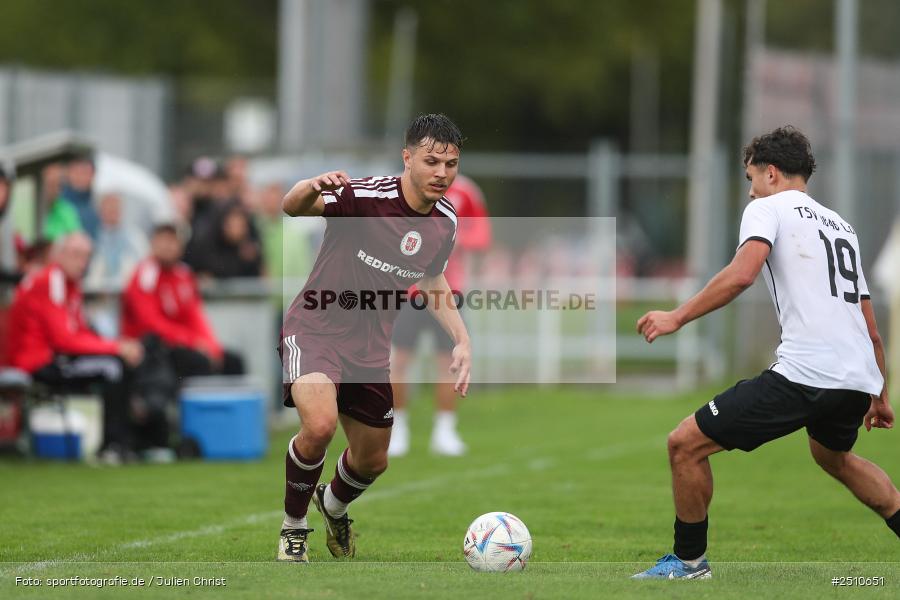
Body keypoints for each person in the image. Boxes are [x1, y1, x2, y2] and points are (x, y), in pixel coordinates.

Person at [632, 126, 899, 580]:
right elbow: (869, 324)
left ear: (770, 172)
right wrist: (878, 392)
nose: (751, 189)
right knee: (834, 457)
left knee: (684, 445)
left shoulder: (766, 207)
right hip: (855, 378)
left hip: (807, 374)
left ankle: (689, 563)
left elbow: (742, 274)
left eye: (751, 177)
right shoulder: (841, 226)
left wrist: (676, 316)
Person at [276, 114, 471, 563]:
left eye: (451, 164)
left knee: (372, 461)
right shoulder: (362, 196)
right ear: (407, 158)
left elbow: (433, 279)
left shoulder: (445, 221)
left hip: (369, 347)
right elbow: (291, 206)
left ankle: (333, 505)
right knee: (320, 425)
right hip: (316, 327)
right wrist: (310, 185)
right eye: (431, 161)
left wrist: (461, 338)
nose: (442, 173)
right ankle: (294, 528)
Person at [7, 232, 145, 461]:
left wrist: (117, 345)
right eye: (75, 255)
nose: (82, 262)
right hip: (39, 361)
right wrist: (116, 348)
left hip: (54, 357)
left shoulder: (68, 284)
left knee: (121, 362)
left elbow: (79, 332)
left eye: (86, 256)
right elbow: (63, 340)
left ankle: (124, 442)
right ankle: (112, 446)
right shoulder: (51, 281)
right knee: (113, 367)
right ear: (58, 255)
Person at [389, 174, 491, 456]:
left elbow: (482, 234)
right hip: (408, 291)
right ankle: (397, 429)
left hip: (450, 291)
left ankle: (444, 431)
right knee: (399, 360)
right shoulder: (402, 187)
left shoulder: (466, 192)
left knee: (450, 362)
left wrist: (451, 237)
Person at [121, 223, 245, 378]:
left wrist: (212, 347)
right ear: (153, 243)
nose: (168, 246)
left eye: (173, 240)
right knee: (199, 362)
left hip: (181, 344)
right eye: (163, 240)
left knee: (233, 362)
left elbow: (195, 316)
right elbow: (150, 324)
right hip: (153, 348)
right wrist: (192, 342)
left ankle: (228, 403)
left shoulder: (183, 275)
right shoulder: (145, 275)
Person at [85, 192, 149, 291]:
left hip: (128, 291)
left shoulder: (135, 237)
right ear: (100, 210)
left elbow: (144, 264)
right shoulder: (92, 236)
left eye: (115, 207)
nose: (111, 210)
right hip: (98, 293)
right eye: (108, 207)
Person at [59, 155, 100, 240]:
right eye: (77, 172)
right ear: (68, 173)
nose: (81, 177)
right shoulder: (58, 203)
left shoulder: (94, 209)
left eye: (86, 173)